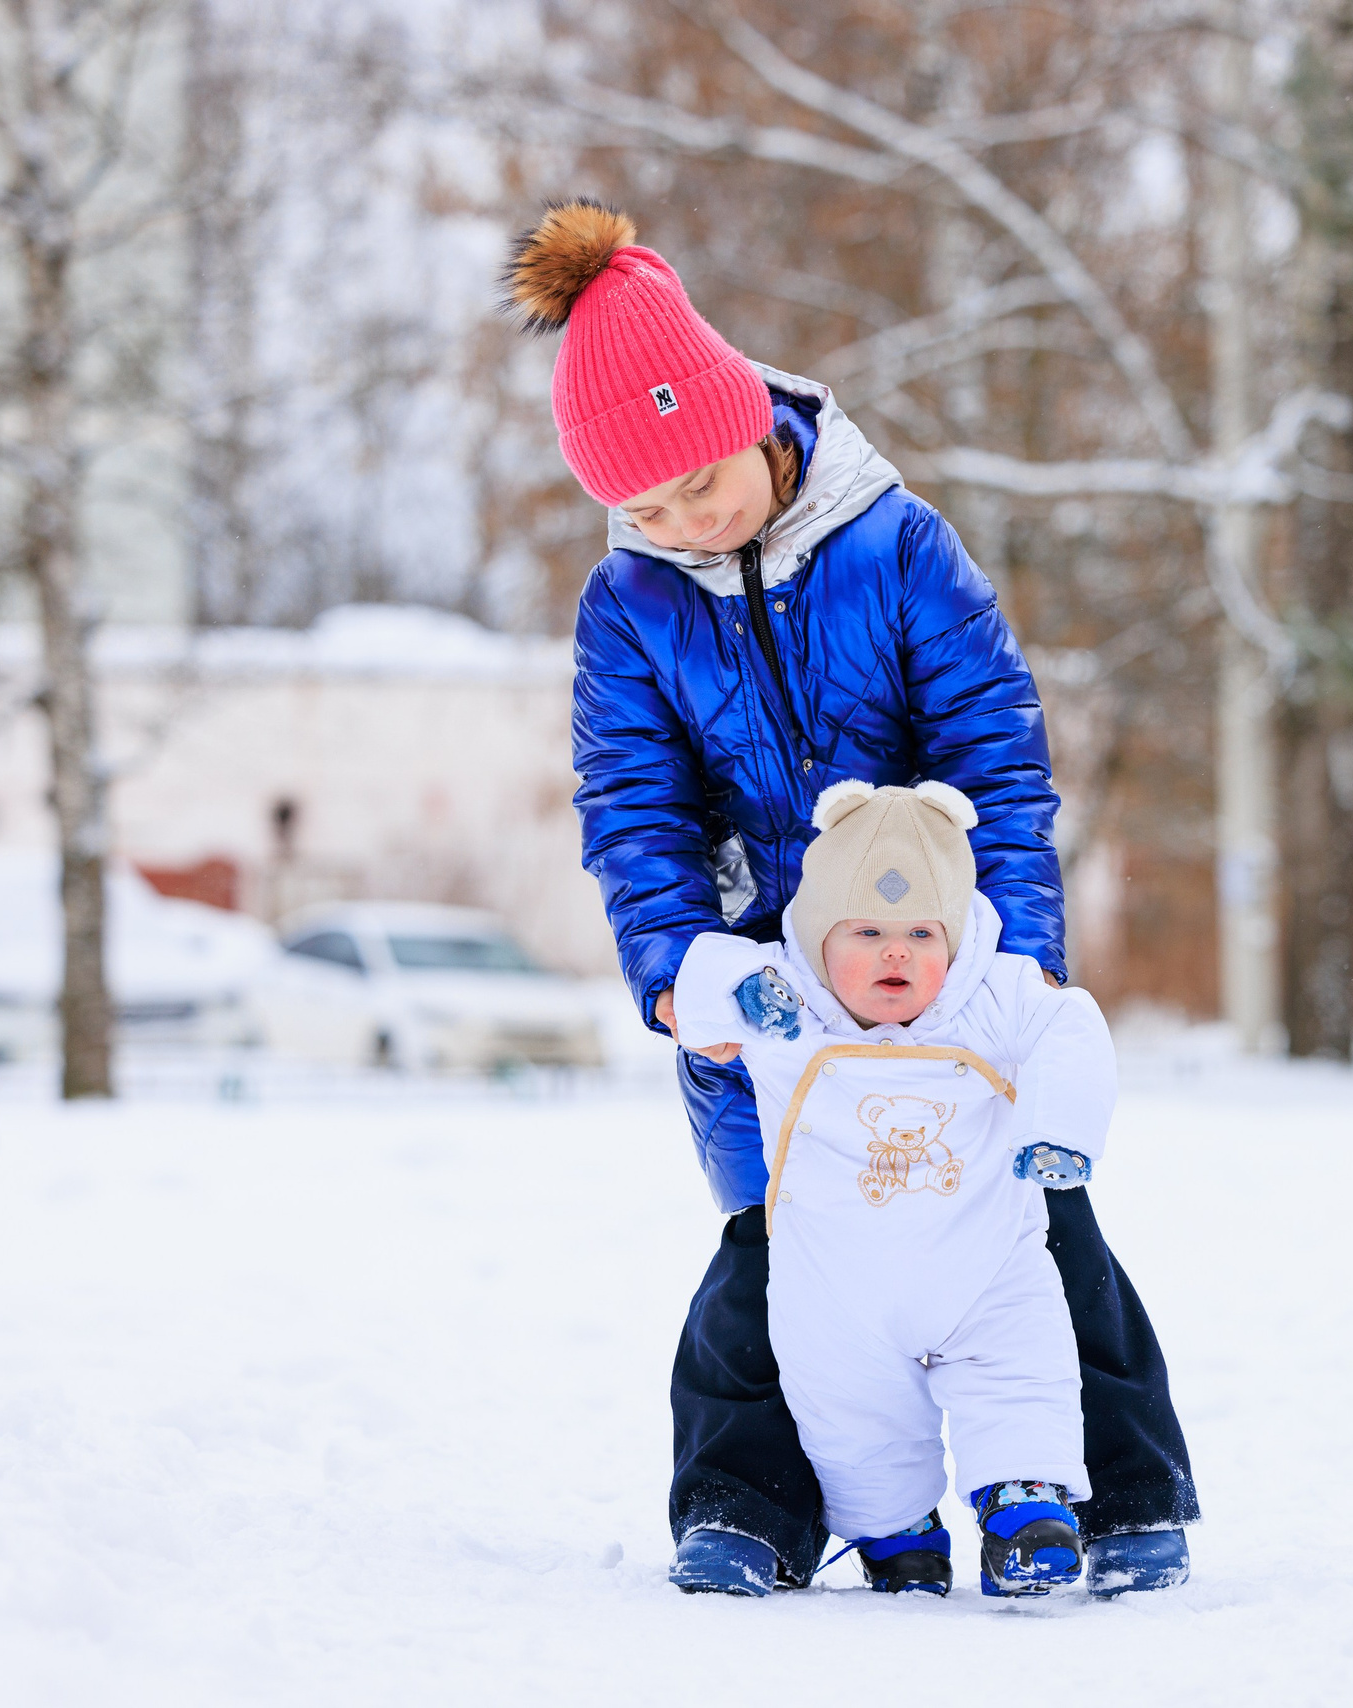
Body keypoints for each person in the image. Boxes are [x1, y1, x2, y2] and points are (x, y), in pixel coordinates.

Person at [502, 197, 1198, 1597]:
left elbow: (995, 748)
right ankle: (753, 1499)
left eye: (698, 485)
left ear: (750, 421)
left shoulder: (898, 550)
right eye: (641, 508)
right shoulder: (632, 606)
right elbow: (637, 812)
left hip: (938, 948)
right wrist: (675, 972)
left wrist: (1017, 956)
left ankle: (1118, 1487)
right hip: (774, 985)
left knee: (1038, 1220)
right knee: (768, 1239)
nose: (681, 523)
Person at [672, 780, 1113, 1597]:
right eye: (866, 932)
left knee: (1020, 1374)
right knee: (851, 1418)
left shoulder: (994, 998)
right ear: (815, 935)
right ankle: (896, 1533)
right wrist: (735, 995)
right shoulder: (783, 1002)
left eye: (920, 932)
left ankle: (1026, 1513)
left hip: (985, 1275)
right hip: (838, 1290)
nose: (896, 953)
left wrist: (1059, 1128)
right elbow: (697, 979)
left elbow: (1071, 1026)